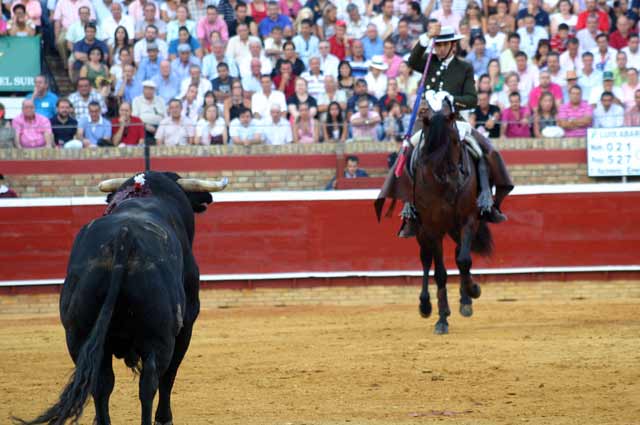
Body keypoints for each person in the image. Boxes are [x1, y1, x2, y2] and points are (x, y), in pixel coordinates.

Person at [395, 25, 513, 237]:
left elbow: (472, 99)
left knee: (485, 150)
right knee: (406, 153)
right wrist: (426, 37)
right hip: (428, 124)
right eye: (437, 45)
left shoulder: (464, 67)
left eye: (443, 45)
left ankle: (488, 200)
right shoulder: (430, 63)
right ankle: (409, 206)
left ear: (452, 45)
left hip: (453, 121)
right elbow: (412, 61)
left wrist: (451, 99)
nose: (439, 49)